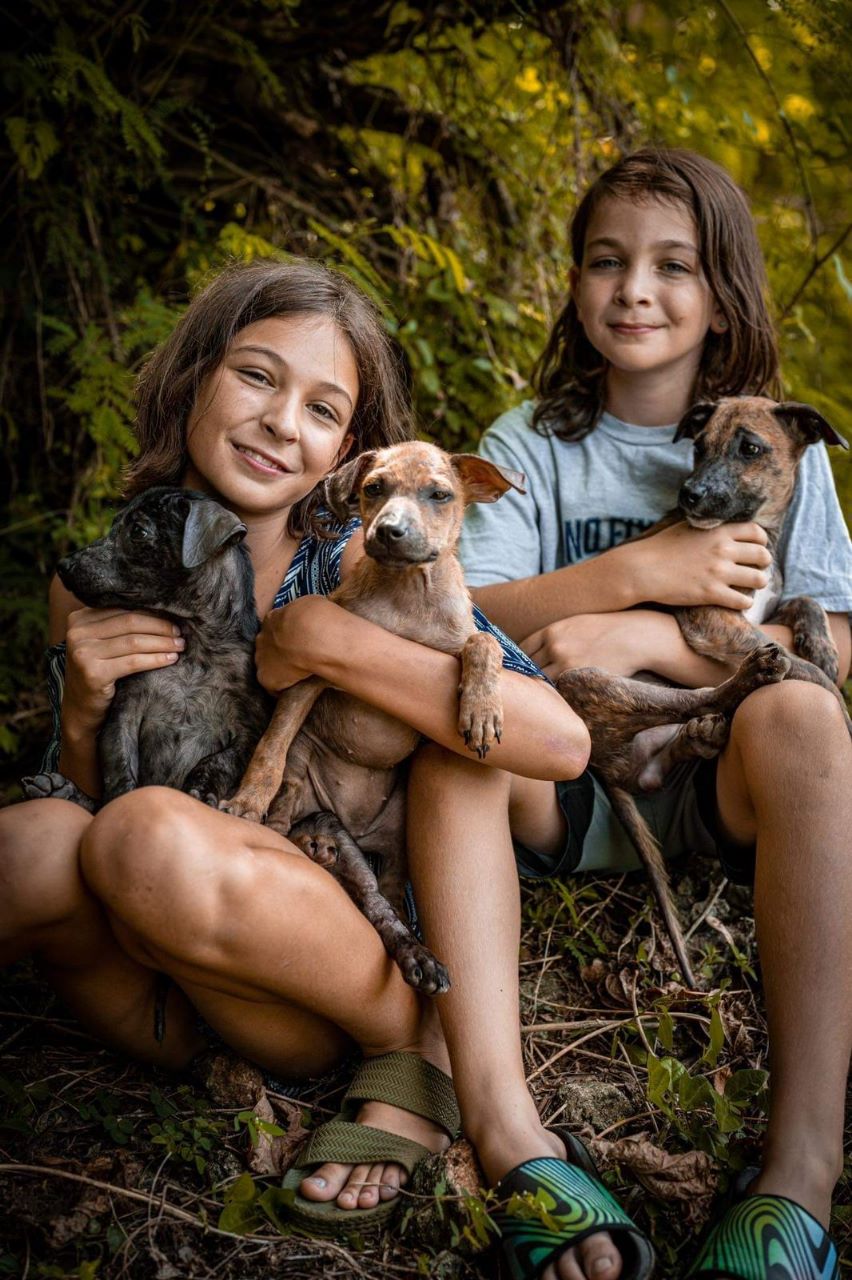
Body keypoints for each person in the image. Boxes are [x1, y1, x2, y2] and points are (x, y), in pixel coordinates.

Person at [0, 259, 596, 1245]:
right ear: (196, 375)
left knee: (147, 837)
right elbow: (91, 804)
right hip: (159, 957)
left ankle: (426, 1046)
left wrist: (329, 637)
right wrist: (79, 712)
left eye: (323, 408)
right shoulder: (116, 567)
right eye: (258, 376)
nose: (283, 421)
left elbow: (556, 740)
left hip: (311, 959)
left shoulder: (368, 564)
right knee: (33, 842)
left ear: (349, 459)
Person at [451, 148, 852, 1279]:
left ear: (723, 292)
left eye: (673, 265)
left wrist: (638, 634)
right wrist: (638, 569)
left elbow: (841, 637)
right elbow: (468, 614)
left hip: (718, 778)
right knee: (457, 725)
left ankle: (799, 1178)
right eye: (607, 260)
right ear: (576, 285)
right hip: (564, 777)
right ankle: (509, 1134)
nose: (635, 288)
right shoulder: (531, 444)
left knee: (810, 716)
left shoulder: (782, 450)